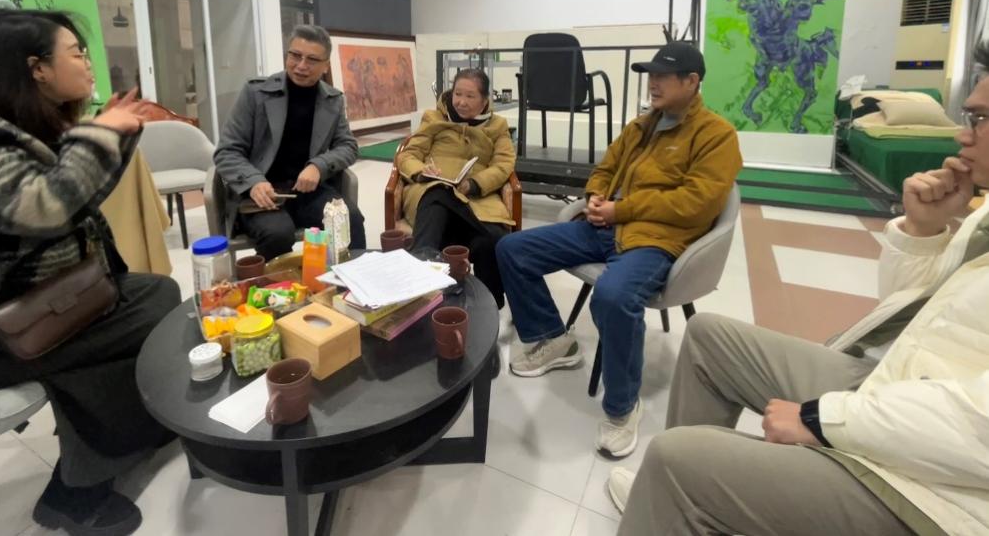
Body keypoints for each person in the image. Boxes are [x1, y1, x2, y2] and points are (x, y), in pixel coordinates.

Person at [607, 48, 989, 536]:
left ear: (692, 81)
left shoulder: (713, 133)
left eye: (979, 118)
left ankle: (676, 489)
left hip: (941, 494)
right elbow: (912, 319)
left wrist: (821, 418)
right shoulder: (981, 216)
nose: (963, 134)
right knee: (706, 336)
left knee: (672, 459)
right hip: (896, 385)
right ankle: (677, 502)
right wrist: (922, 230)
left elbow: (977, 427)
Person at [0, 10, 181, 536]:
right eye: (76, 52)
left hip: (27, 302)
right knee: (150, 314)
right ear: (36, 68)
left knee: (152, 297)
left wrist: (114, 135)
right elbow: (42, 210)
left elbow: (76, 200)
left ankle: (113, 447)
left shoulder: (5, 123)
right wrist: (98, 134)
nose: (87, 62)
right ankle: (78, 492)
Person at [497, 42, 741, 456]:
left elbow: (697, 203)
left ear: (691, 82)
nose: (653, 83)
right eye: (651, 76)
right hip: (605, 227)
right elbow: (606, 168)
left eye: (662, 76)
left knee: (612, 296)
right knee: (512, 249)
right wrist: (595, 196)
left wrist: (621, 209)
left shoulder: (717, 136)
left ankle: (623, 407)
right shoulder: (640, 127)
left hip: (656, 240)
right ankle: (555, 339)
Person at [214, 24, 364, 259]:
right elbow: (227, 151)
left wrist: (319, 166)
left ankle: (350, 278)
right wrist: (254, 182)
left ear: (326, 66)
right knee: (277, 234)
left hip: (310, 191)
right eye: (295, 55)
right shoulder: (255, 94)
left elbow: (348, 146)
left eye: (312, 60)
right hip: (262, 192)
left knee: (349, 219)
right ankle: (278, 284)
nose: (301, 65)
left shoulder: (332, 100)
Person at [397, 68, 516, 307]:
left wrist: (476, 183)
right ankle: (421, 275)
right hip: (430, 191)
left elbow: (504, 164)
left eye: (470, 96)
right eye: (457, 94)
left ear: (485, 100)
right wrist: (421, 171)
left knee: (487, 243)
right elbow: (408, 154)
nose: (461, 101)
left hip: (476, 198)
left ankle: (491, 304)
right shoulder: (434, 118)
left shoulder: (497, 125)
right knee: (439, 192)